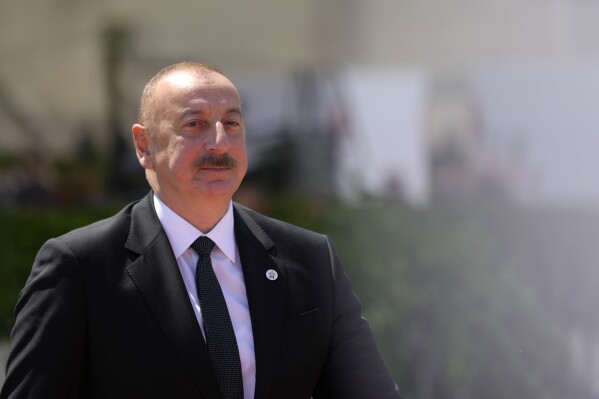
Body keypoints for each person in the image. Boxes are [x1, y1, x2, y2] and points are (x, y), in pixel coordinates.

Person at [0, 62, 402, 399]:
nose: (220, 143)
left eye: (232, 123)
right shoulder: (80, 268)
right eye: (194, 124)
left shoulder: (309, 259)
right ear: (144, 145)